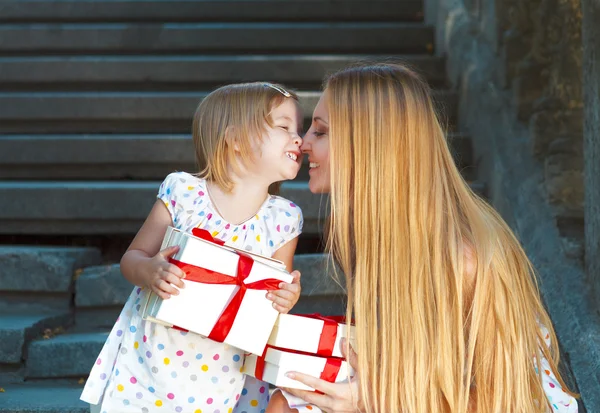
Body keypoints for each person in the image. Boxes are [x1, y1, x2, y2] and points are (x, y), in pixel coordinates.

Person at [268, 64, 579, 412]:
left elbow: (509, 398)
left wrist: (378, 402)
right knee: (285, 399)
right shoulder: (378, 238)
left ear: (371, 145)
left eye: (321, 132)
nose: (304, 143)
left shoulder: (459, 258)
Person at [80, 82, 305, 413]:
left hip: (225, 368)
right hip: (154, 358)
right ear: (236, 139)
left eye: (298, 129)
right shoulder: (183, 192)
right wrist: (150, 270)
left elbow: (273, 293)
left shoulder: (284, 218)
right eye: (284, 127)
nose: (298, 138)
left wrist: (287, 297)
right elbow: (132, 259)